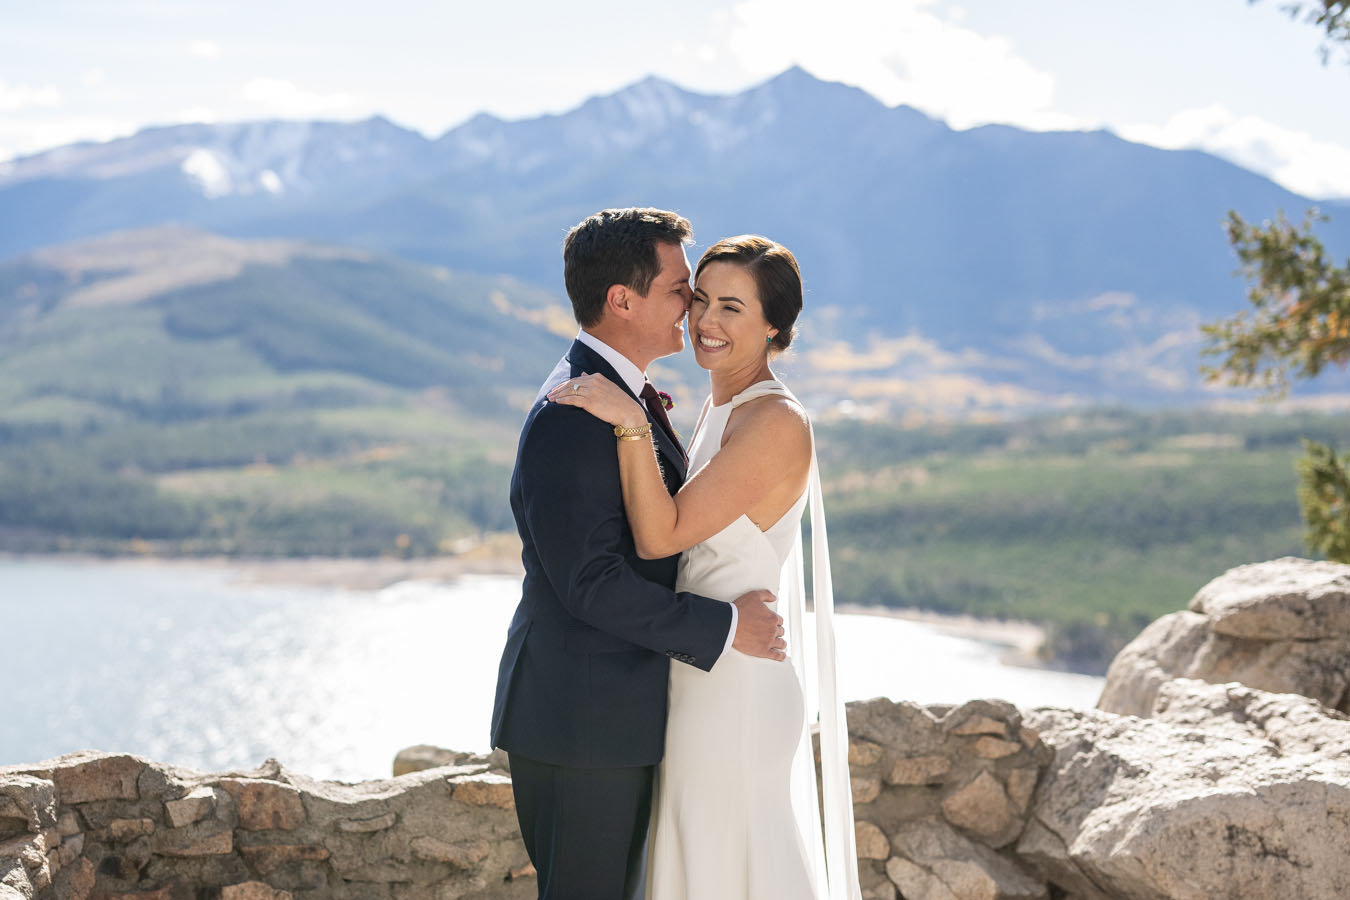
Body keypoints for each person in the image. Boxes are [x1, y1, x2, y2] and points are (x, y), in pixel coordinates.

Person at [548, 234, 862, 899]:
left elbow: (663, 537)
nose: (706, 322)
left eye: (732, 308)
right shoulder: (723, 406)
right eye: (699, 300)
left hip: (737, 686)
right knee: (704, 858)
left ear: (775, 326)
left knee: (728, 861)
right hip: (704, 671)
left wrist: (631, 422)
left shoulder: (773, 421)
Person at [489, 208, 788, 900]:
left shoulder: (615, 395)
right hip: (580, 724)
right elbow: (590, 584)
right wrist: (725, 627)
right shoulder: (575, 412)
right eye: (680, 289)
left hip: (604, 718)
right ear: (622, 300)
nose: (692, 308)